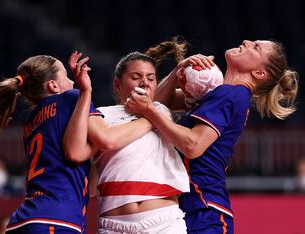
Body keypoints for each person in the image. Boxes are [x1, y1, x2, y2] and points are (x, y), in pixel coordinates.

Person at [0, 52, 153, 234]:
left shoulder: (32, 123)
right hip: (55, 218)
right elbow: (90, 146)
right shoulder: (72, 97)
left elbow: (88, 185)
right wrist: (151, 118)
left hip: (24, 219)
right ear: (54, 85)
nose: (73, 81)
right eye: (66, 75)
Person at [125, 39, 299, 233]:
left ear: (259, 73)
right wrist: (178, 71)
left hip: (204, 208)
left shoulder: (230, 94)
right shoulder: (221, 92)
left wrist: (149, 110)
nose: (246, 42)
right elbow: (157, 103)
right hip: (192, 205)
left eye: (256, 47)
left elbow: (193, 144)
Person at [81, 48, 190, 233]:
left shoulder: (160, 110)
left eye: (151, 78)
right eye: (136, 77)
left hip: (164, 222)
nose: (145, 83)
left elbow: (200, 96)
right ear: (117, 85)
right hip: (113, 224)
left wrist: (178, 70)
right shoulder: (101, 114)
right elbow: (102, 148)